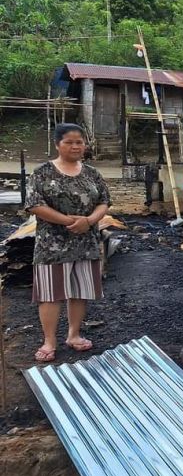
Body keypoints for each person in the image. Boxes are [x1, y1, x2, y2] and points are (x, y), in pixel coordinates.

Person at [25, 123, 111, 362]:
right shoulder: (42, 172)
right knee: (50, 293)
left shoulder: (92, 173)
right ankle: (49, 340)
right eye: (69, 142)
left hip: (86, 242)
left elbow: (104, 201)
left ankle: (74, 334)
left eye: (79, 142)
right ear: (57, 144)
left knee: (80, 291)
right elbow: (34, 204)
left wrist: (89, 221)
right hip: (52, 245)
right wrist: (68, 221)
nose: (75, 146)